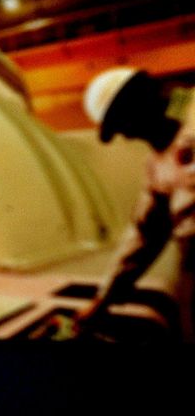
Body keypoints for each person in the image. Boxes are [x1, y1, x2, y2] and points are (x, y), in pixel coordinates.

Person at [71, 67, 195, 341]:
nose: (127, 137)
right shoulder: (157, 166)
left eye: (123, 124)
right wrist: (103, 300)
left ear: (142, 101)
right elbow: (144, 234)